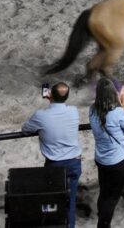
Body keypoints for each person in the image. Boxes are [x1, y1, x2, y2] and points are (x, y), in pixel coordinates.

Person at [22, 82, 81, 228]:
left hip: (55, 165)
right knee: (70, 201)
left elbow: (25, 129)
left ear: (50, 95)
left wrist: (51, 101)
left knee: (51, 202)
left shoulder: (41, 115)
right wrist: (54, 100)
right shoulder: (74, 111)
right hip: (74, 163)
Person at [89, 78, 124, 228]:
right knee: (112, 197)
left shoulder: (92, 109)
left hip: (101, 159)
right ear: (112, 94)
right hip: (116, 163)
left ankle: (102, 215)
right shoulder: (117, 112)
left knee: (104, 192)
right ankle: (103, 223)